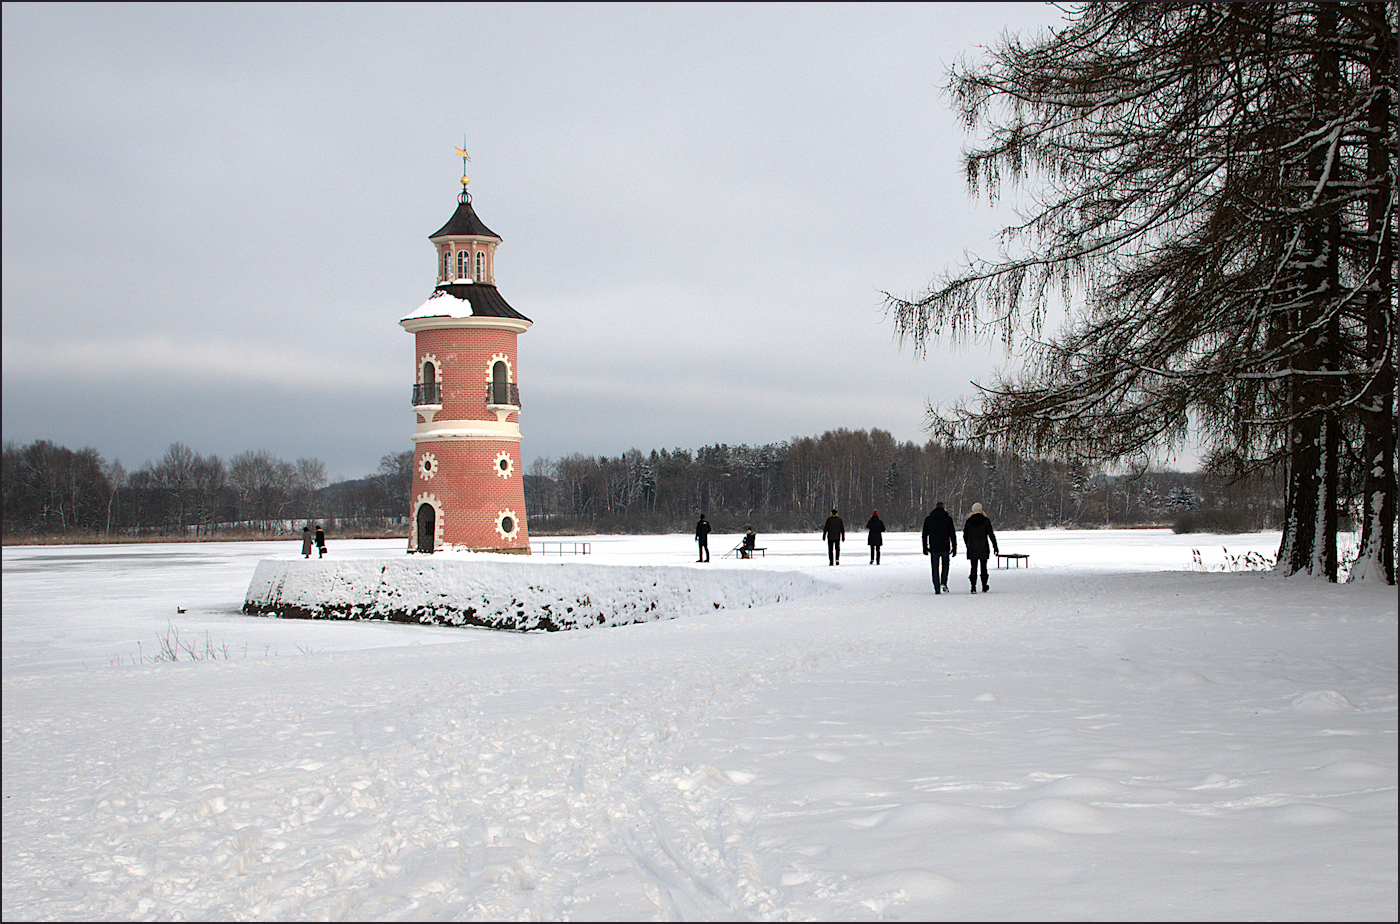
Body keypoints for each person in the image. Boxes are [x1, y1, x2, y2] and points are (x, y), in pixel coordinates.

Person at [921, 502, 956, 594]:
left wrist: (925, 547)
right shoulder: (948, 519)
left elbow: (924, 534)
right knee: (945, 566)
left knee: (934, 567)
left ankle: (936, 587)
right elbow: (952, 534)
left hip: (934, 547)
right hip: (945, 546)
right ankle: (943, 581)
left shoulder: (929, 519)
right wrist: (954, 547)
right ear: (943, 508)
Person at [963, 502, 998, 593]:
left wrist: (968, 545)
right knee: (984, 567)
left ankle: (973, 586)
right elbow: (991, 534)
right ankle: (984, 585)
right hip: (983, 546)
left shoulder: (969, 521)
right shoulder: (986, 521)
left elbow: (965, 535)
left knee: (973, 567)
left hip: (972, 546)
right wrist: (995, 546)